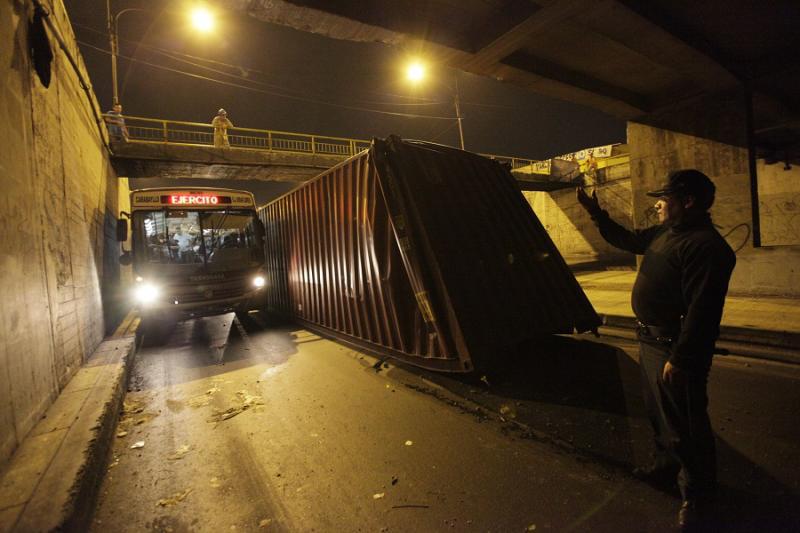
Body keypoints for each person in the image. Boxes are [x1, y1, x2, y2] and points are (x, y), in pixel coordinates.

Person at [576, 169, 736, 531]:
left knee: (686, 425)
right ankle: (665, 469)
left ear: (688, 202)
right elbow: (627, 239)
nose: (659, 205)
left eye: (665, 198)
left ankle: (698, 498)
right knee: (659, 415)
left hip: (673, 348)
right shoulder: (667, 232)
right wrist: (595, 212)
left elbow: (702, 312)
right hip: (650, 342)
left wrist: (682, 359)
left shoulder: (707, 247)